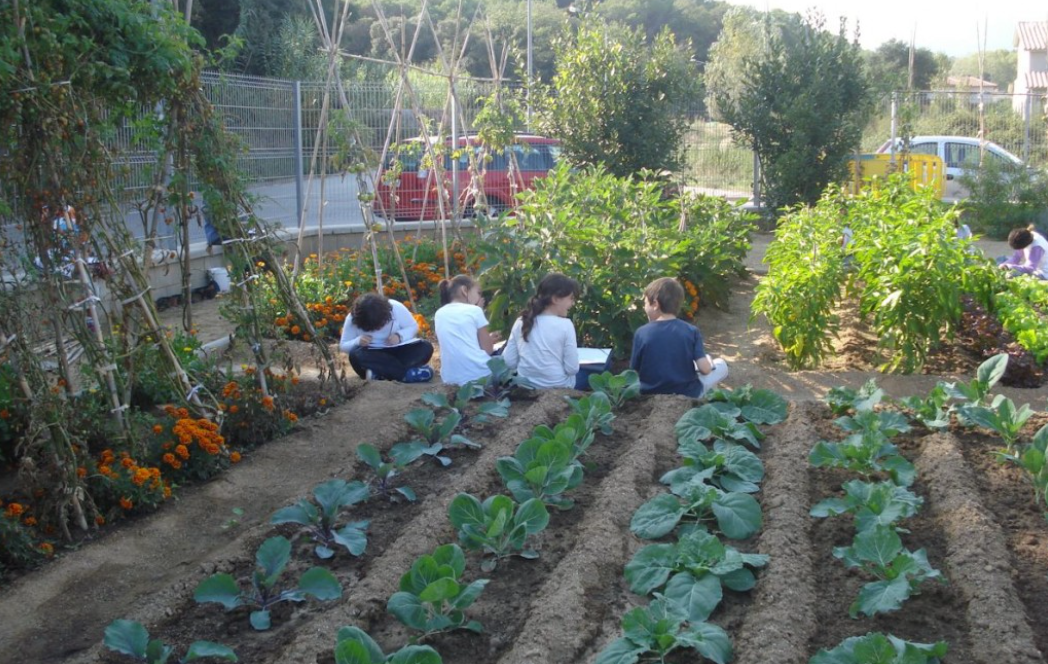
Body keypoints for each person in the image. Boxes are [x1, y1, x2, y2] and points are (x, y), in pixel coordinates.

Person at [629, 277, 728, 398]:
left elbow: (634, 371)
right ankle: (709, 400)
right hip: (687, 393)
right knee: (721, 364)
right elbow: (705, 369)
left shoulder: (641, 332)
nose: (644, 308)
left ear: (655, 304)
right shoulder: (691, 331)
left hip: (649, 392)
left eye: (645, 303)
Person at [502, 273, 580, 389]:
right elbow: (572, 368)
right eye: (571, 299)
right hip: (558, 388)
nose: (572, 304)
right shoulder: (566, 325)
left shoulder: (521, 321)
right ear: (556, 299)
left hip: (525, 388)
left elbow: (509, 361)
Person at [339, 292, 434, 382]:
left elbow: (413, 327)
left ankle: (381, 374)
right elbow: (343, 345)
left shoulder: (395, 307)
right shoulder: (352, 318)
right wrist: (357, 341)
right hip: (373, 355)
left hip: (398, 351)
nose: (377, 330)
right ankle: (405, 375)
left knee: (425, 347)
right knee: (355, 354)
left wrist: (399, 336)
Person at [434, 274, 500, 385]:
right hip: (479, 376)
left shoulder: (439, 314)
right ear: (464, 290)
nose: (480, 298)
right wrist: (490, 340)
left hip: (450, 379)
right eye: (478, 293)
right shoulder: (475, 311)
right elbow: (488, 350)